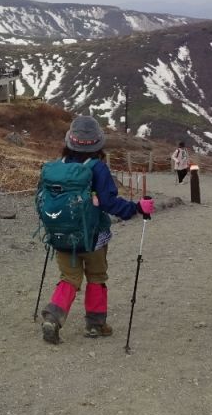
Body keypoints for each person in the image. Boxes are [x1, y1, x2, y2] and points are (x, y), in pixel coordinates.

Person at [40, 115, 156, 344]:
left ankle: (53, 317)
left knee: (69, 277)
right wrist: (137, 208)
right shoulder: (98, 168)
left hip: (61, 235)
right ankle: (95, 324)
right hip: (94, 237)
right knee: (96, 276)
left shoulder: (58, 167)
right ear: (98, 143)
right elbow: (109, 203)